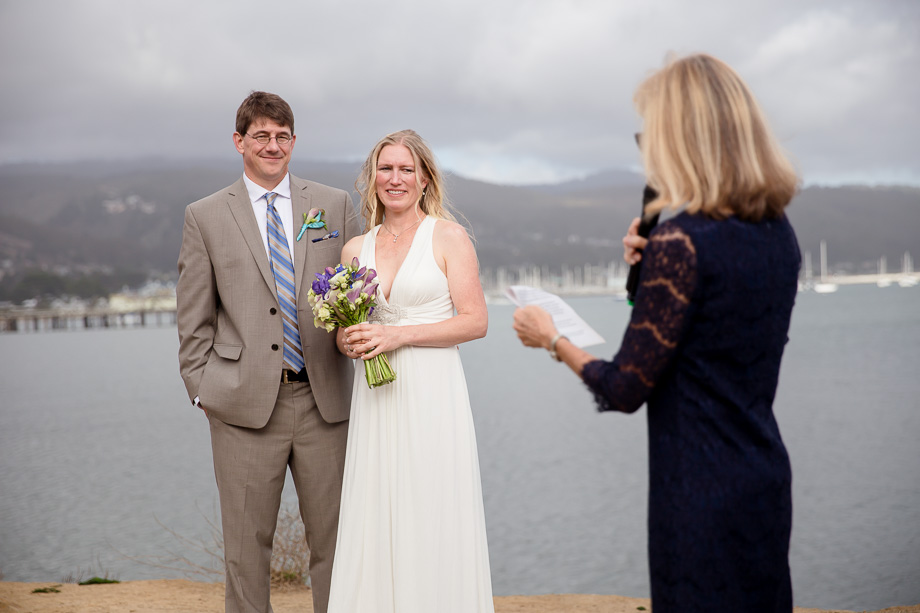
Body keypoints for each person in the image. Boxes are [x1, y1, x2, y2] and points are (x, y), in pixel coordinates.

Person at [513, 54, 800, 612]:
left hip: (697, 491)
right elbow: (703, 329)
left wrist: (553, 340)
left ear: (677, 136)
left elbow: (624, 386)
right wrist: (646, 273)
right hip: (762, 474)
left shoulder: (681, 243)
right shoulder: (778, 231)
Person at [177, 91, 361, 613]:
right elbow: (193, 320)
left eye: (282, 136)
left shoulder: (333, 207)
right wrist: (202, 390)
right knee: (244, 550)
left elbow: (356, 292)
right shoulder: (205, 216)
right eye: (261, 135)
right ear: (239, 142)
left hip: (326, 402)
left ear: (294, 141)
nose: (273, 145)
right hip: (240, 408)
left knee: (335, 544)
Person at [325, 130, 494, 613]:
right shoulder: (355, 249)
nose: (394, 179)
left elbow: (475, 321)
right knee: (378, 511)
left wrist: (398, 335)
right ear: (372, 178)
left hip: (433, 396)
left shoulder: (448, 237)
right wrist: (349, 338)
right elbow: (346, 331)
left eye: (405, 170)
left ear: (424, 179)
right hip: (377, 400)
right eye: (385, 168)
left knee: (432, 509)